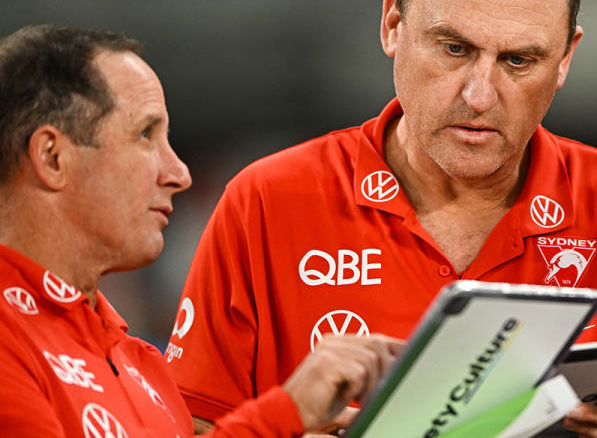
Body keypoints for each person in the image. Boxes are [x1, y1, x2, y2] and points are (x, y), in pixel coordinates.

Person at [169, 0, 597, 436]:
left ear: (565, 58)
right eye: (454, 48)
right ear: (392, 24)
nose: (480, 94)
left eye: (519, 60)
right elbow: (189, 423)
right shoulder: (266, 204)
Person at [0, 24, 401, 437]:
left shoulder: (140, 362)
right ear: (52, 157)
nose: (179, 173)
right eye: (145, 135)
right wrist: (286, 413)